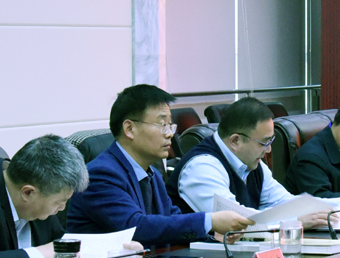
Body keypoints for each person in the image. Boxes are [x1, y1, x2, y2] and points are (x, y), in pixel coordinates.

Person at [66, 85, 252, 247]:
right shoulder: (100, 174)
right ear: (129, 129)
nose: (170, 134)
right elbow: (136, 227)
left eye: (170, 125)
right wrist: (209, 221)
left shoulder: (152, 173)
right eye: (162, 124)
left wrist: (214, 236)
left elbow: (171, 221)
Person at [172, 97, 333, 227]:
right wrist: (294, 221)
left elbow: (284, 202)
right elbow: (236, 222)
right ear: (235, 141)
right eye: (264, 143)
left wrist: (339, 204)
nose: (268, 150)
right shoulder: (201, 168)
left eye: (270, 141)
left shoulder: (252, 163)